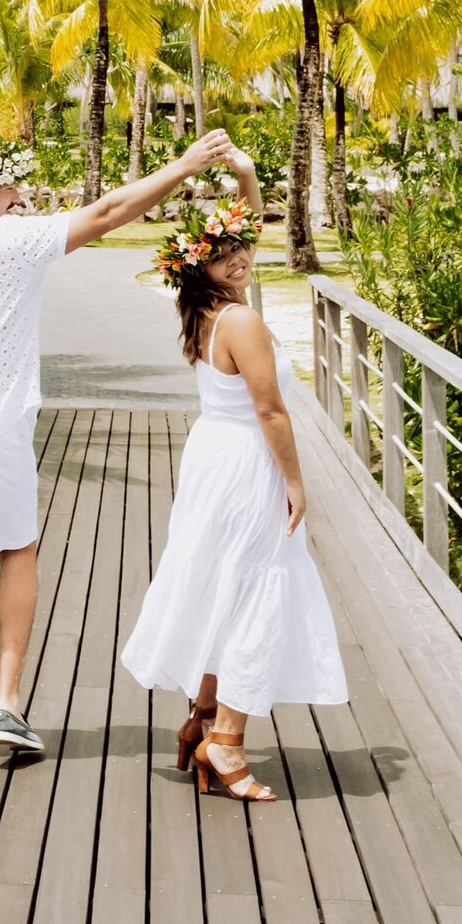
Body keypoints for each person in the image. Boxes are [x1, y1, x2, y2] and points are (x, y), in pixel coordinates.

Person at [0, 126, 236, 770]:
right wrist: (182, 165)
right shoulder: (16, 241)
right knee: (16, 551)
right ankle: (8, 701)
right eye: (14, 189)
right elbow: (107, 212)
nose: (20, 200)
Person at [121, 146, 347, 801]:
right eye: (226, 255)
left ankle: (201, 719)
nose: (241, 257)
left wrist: (247, 170)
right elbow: (272, 410)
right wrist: (297, 483)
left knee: (225, 584)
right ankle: (226, 741)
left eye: (240, 249)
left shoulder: (206, 314)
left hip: (211, 458)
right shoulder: (243, 318)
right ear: (205, 269)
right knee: (257, 594)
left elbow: (243, 224)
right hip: (247, 464)